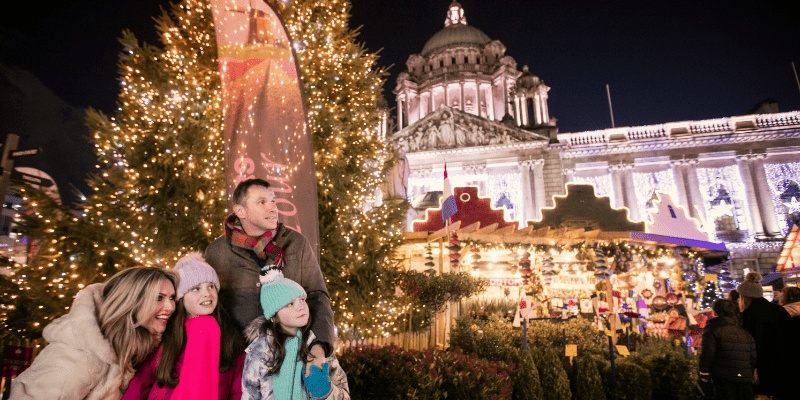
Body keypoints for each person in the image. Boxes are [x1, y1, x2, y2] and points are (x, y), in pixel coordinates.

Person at [204, 178, 335, 371]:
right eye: (262, 202)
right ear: (240, 211)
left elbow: (317, 296)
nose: (273, 208)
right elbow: (210, 309)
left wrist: (319, 347)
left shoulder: (296, 244)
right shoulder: (216, 252)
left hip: (293, 358)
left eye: (273, 201)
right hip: (238, 365)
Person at [11, 267, 178, 399]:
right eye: (159, 298)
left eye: (171, 298)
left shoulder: (135, 350)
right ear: (131, 301)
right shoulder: (78, 359)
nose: (170, 307)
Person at [123, 253, 245, 400]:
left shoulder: (230, 337)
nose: (207, 294)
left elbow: (238, 391)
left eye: (211, 286)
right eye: (195, 289)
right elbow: (139, 387)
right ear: (181, 297)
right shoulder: (165, 335)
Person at [242, 272, 349, 399]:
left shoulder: (317, 348)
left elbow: (345, 396)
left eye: (302, 299)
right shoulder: (260, 352)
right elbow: (249, 395)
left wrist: (325, 392)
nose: (301, 307)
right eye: (289, 304)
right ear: (273, 317)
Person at [736, 272, 789, 398]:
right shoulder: (778, 310)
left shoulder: (747, 315)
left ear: (744, 297)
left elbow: (752, 342)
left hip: (762, 364)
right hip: (784, 360)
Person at [698, 299, 757, 400]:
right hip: (743, 377)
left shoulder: (712, 329)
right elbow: (753, 357)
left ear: (714, 312)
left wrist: (704, 373)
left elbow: (708, 353)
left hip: (723, 377)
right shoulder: (743, 332)